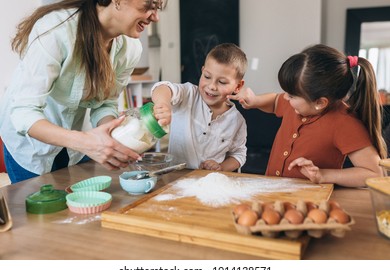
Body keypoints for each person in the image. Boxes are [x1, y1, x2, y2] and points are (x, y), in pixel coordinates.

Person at [0, 0, 167, 184]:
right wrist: (87, 142)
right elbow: (24, 112)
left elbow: (105, 103)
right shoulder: (56, 31)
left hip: (78, 147)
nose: (155, 17)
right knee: (41, 210)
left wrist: (114, 137)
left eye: (157, 8)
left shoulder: (130, 49)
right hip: (31, 148)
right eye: (148, 6)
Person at [229, 44, 386, 188]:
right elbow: (276, 102)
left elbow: (374, 173)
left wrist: (324, 174)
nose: (285, 98)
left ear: (320, 102)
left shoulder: (344, 123)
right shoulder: (296, 105)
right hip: (272, 191)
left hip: (308, 201)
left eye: (291, 95)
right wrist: (255, 100)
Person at [151, 43, 248, 172]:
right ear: (202, 71)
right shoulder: (188, 94)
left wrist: (221, 167)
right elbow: (162, 87)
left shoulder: (237, 121)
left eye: (222, 82)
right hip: (175, 178)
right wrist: (163, 104)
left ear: (238, 86)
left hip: (210, 183)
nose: (212, 86)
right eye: (207, 77)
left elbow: (238, 155)